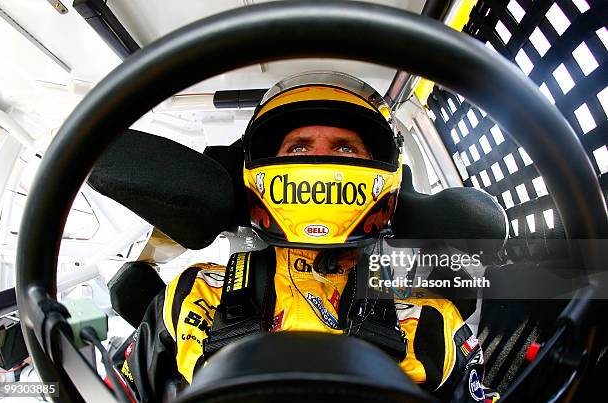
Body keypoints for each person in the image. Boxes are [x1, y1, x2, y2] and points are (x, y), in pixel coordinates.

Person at [111, 71, 498, 402]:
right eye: (299, 148)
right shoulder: (193, 293)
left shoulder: (431, 319)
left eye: (344, 148)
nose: (320, 163)